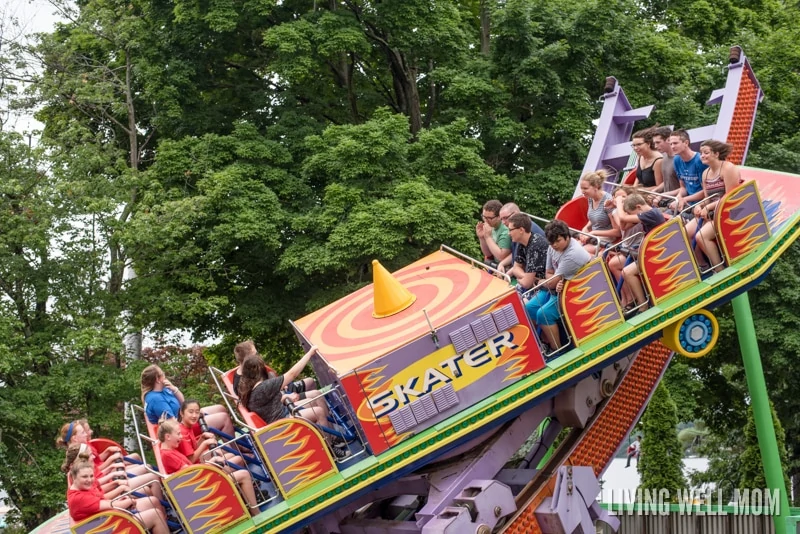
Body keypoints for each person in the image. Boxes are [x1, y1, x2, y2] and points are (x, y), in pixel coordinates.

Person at [238, 347, 348, 458]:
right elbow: (292, 374)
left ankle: (331, 437)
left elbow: (268, 403)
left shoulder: (249, 388)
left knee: (314, 399)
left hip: (283, 413)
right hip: (282, 422)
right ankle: (330, 451)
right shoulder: (263, 387)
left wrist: (285, 397)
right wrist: (309, 353)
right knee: (318, 412)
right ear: (259, 370)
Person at [157, 419, 259, 513]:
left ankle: (246, 498)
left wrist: (211, 462)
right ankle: (255, 512)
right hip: (199, 488)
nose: (181, 437)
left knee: (226, 459)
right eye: (178, 434)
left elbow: (189, 468)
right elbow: (189, 472)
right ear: (168, 437)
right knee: (243, 475)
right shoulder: (167, 455)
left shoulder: (169, 449)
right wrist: (211, 463)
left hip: (198, 482)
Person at [525, 220, 591, 351]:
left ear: (567, 237)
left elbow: (550, 281)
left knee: (544, 314)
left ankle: (557, 350)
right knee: (529, 308)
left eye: (558, 241)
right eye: (551, 242)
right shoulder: (552, 247)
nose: (554, 245)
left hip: (576, 290)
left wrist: (549, 281)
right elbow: (549, 274)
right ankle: (543, 343)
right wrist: (552, 280)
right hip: (558, 289)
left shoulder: (572, 255)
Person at [68, 461, 169, 532]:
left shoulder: (82, 487)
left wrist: (122, 497)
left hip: (110, 519)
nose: (89, 480)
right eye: (85, 477)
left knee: (153, 501)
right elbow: (112, 505)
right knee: (156, 515)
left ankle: (165, 528)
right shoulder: (79, 498)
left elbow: (104, 499)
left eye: (91, 476)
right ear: (74, 477)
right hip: (111, 527)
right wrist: (129, 501)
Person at [141, 364, 234, 437]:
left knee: (220, 408)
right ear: (158, 379)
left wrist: (174, 389)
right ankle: (237, 452)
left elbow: (183, 403)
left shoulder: (164, 389)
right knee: (224, 418)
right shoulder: (156, 400)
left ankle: (232, 444)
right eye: (162, 374)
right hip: (182, 428)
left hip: (185, 417)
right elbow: (173, 423)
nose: (165, 376)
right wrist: (194, 416)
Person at [693, 140, 742, 272]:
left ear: (716, 154)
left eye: (706, 153)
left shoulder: (728, 168)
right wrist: (699, 206)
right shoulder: (706, 173)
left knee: (701, 236)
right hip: (713, 210)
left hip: (729, 210)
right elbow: (706, 198)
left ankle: (719, 269)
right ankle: (702, 265)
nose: (702, 156)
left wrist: (708, 208)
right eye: (701, 153)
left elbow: (730, 196)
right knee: (685, 232)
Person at [615, 194, 667, 316]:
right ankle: (640, 302)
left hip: (657, 252)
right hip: (650, 251)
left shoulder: (651, 214)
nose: (631, 216)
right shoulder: (646, 214)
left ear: (638, 207)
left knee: (627, 272)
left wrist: (618, 202)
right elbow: (622, 225)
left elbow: (622, 217)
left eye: (631, 213)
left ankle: (643, 305)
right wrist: (623, 205)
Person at [605, 186, 643, 309]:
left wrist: (619, 206)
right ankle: (625, 297)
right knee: (609, 261)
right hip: (626, 247)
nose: (621, 200)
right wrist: (610, 209)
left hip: (636, 248)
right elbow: (618, 225)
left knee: (614, 264)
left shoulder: (633, 213)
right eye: (618, 198)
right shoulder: (617, 212)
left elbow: (623, 225)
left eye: (624, 197)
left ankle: (631, 297)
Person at [578, 170, 620, 254]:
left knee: (580, 252)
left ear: (596, 187)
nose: (582, 191)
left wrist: (593, 232)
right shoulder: (590, 198)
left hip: (606, 238)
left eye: (585, 188)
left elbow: (617, 231)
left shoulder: (608, 202)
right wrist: (586, 228)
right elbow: (596, 216)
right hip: (594, 236)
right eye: (581, 188)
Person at [497, 203, 545, 276]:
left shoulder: (528, 233)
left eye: (506, 218)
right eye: (501, 219)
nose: (503, 222)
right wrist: (502, 264)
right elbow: (517, 255)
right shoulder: (518, 229)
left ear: (516, 213)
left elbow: (525, 262)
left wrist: (507, 275)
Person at [668, 129, 708, 215]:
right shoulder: (677, 159)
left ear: (686, 143)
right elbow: (683, 187)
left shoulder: (699, 160)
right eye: (670, 144)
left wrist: (684, 199)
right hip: (687, 203)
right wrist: (678, 197)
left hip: (699, 205)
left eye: (675, 143)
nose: (672, 146)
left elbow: (706, 191)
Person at [506, 213, 547, 293]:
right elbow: (515, 268)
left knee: (518, 303)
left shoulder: (536, 245)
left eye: (510, 230)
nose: (508, 233)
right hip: (535, 285)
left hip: (544, 289)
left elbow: (526, 283)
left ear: (521, 230)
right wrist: (526, 276)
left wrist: (520, 279)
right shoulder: (521, 242)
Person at [475, 200, 511, 267]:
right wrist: (482, 237)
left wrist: (488, 237)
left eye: (489, 218)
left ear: (499, 217)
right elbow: (488, 254)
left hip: (505, 268)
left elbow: (501, 258)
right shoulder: (492, 226)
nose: (486, 220)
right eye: (484, 217)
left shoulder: (505, 232)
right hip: (494, 264)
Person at [652, 126, 680, 206]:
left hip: (676, 202)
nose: (655, 146)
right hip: (665, 201)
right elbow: (667, 181)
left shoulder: (679, 159)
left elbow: (685, 187)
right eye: (654, 143)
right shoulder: (664, 158)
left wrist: (661, 196)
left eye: (658, 142)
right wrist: (655, 191)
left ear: (668, 140)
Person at [631, 128, 664, 192]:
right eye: (634, 145)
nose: (635, 148)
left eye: (639, 144)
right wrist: (633, 189)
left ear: (648, 144)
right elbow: (638, 177)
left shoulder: (658, 160)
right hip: (639, 193)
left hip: (652, 195)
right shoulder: (640, 156)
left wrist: (640, 190)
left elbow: (659, 186)